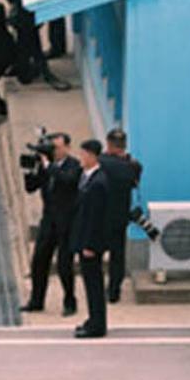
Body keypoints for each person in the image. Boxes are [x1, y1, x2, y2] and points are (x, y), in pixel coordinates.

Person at [20, 133, 81, 316]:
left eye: (57, 147)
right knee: (39, 261)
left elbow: (67, 180)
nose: (54, 151)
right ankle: (36, 300)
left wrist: (49, 165)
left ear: (67, 148)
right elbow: (31, 188)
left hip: (68, 223)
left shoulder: (74, 166)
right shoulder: (46, 167)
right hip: (48, 221)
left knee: (64, 265)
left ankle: (70, 301)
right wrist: (31, 170)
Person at [70, 140, 109, 338]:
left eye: (83, 154)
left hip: (91, 242)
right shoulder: (87, 178)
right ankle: (93, 319)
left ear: (92, 156)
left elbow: (96, 217)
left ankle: (97, 324)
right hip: (83, 237)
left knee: (94, 284)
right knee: (89, 282)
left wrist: (90, 244)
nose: (81, 158)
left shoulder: (98, 182)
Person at [99, 129, 143, 303]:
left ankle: (99, 288)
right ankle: (114, 291)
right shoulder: (133, 165)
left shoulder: (101, 162)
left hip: (101, 215)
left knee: (97, 252)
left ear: (108, 143)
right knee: (118, 255)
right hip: (120, 216)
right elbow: (134, 184)